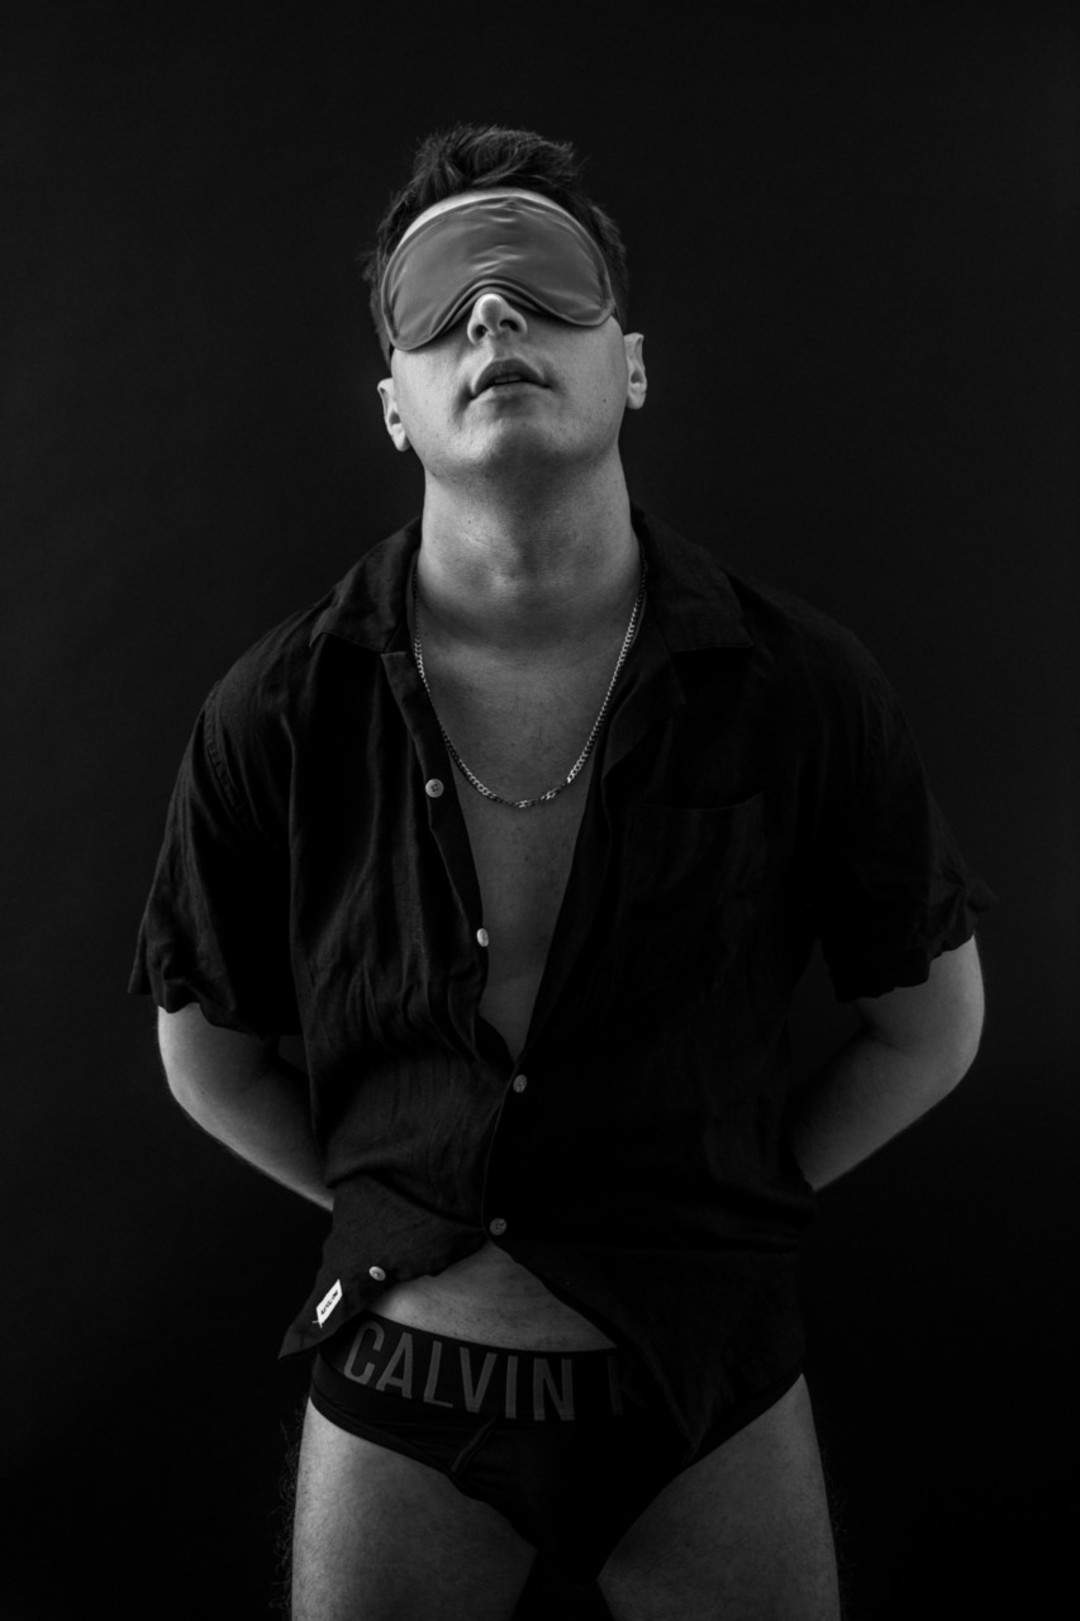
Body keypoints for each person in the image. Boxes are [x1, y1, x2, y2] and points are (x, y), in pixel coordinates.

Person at [129, 123, 994, 1620]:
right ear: (393, 406)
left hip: (707, 1394)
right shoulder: (276, 713)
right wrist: (411, 1213)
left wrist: (724, 1199)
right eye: (440, 302)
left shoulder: (799, 687)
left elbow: (932, 1028)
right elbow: (202, 1056)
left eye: (542, 280)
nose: (491, 313)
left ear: (631, 365)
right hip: (402, 1402)